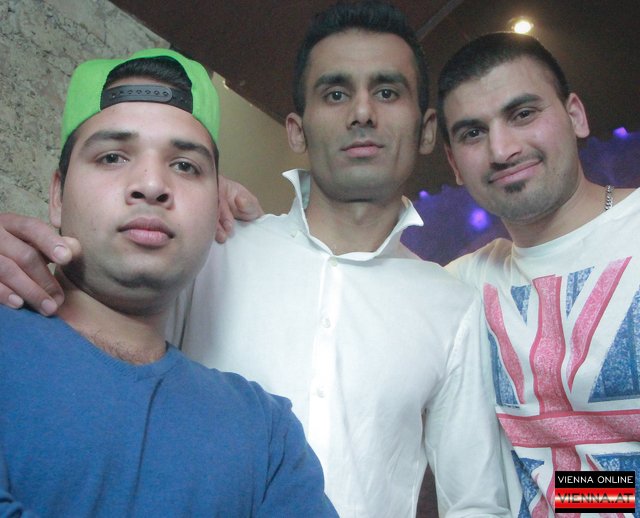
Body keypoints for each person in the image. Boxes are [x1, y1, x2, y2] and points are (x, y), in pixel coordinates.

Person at [0, 2, 509, 517]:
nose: (362, 113)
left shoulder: (453, 304)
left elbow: (476, 503)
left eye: (387, 92)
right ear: (296, 129)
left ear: (426, 129)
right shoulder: (215, 247)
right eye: (335, 93)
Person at [0, 47, 337, 517]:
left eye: (185, 166)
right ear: (57, 195)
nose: (152, 184)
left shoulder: (266, 435)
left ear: (216, 207)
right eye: (113, 156)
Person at [438, 32, 640, 515]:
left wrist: (585, 496)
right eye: (473, 133)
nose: (501, 149)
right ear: (454, 164)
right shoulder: (461, 286)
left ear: (576, 116)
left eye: (523, 114)